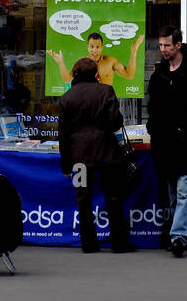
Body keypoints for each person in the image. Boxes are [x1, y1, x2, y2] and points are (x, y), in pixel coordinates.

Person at [57, 58, 134, 253]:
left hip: (79, 158)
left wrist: (66, 165)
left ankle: (88, 244)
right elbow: (116, 123)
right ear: (95, 74)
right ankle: (119, 243)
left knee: (83, 199)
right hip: (107, 153)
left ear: (75, 74)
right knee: (114, 198)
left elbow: (63, 136)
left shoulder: (66, 98)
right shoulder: (106, 91)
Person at [147, 26, 187, 256]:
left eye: (167, 45)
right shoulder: (159, 74)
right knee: (174, 194)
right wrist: (153, 129)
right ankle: (184, 233)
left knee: (184, 192)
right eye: (161, 45)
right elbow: (152, 107)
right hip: (166, 144)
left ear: (178, 45)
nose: (163, 49)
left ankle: (178, 236)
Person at [48, 29, 144, 89]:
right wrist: (61, 63)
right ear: (87, 47)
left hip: (106, 103)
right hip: (88, 104)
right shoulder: (82, 63)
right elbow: (68, 79)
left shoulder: (110, 61)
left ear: (102, 47)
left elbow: (129, 75)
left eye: (97, 47)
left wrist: (134, 52)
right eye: (91, 46)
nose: (94, 50)